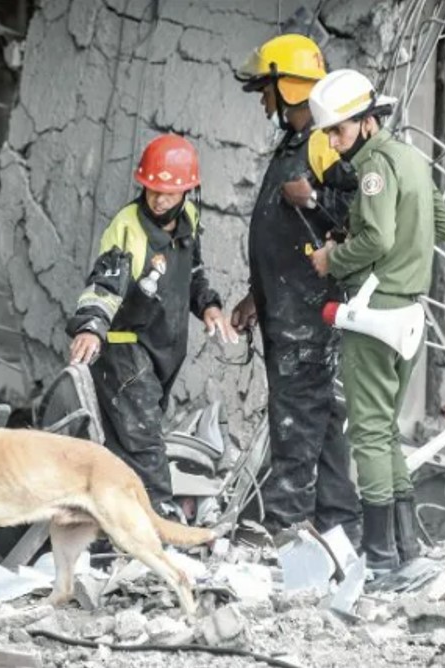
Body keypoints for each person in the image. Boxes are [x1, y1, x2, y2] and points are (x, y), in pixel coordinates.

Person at [308, 69, 445, 571]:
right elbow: (443, 225)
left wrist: (333, 260)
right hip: (409, 310)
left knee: (367, 433)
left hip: (374, 310)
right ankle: (405, 546)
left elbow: (377, 240)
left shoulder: (373, 168)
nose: (333, 142)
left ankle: (379, 555)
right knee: (386, 430)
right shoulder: (412, 158)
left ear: (367, 123)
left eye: (339, 131)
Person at [66, 134, 236, 517]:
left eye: (169, 193)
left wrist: (208, 305)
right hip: (126, 349)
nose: (159, 199)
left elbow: (193, 272)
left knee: (125, 444)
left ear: (188, 191)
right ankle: (161, 525)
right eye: (153, 190)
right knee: (145, 445)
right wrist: (91, 326)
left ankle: (110, 530)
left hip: (163, 350)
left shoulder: (189, 220)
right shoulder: (126, 227)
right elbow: (105, 284)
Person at [233, 34, 361, 541]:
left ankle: (284, 525)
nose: (265, 101)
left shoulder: (319, 142)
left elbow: (359, 207)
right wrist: (255, 296)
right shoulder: (293, 144)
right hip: (286, 305)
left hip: (309, 312)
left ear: (288, 88)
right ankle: (339, 524)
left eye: (267, 90)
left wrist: (313, 198)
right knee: (324, 419)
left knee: (297, 416)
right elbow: (282, 237)